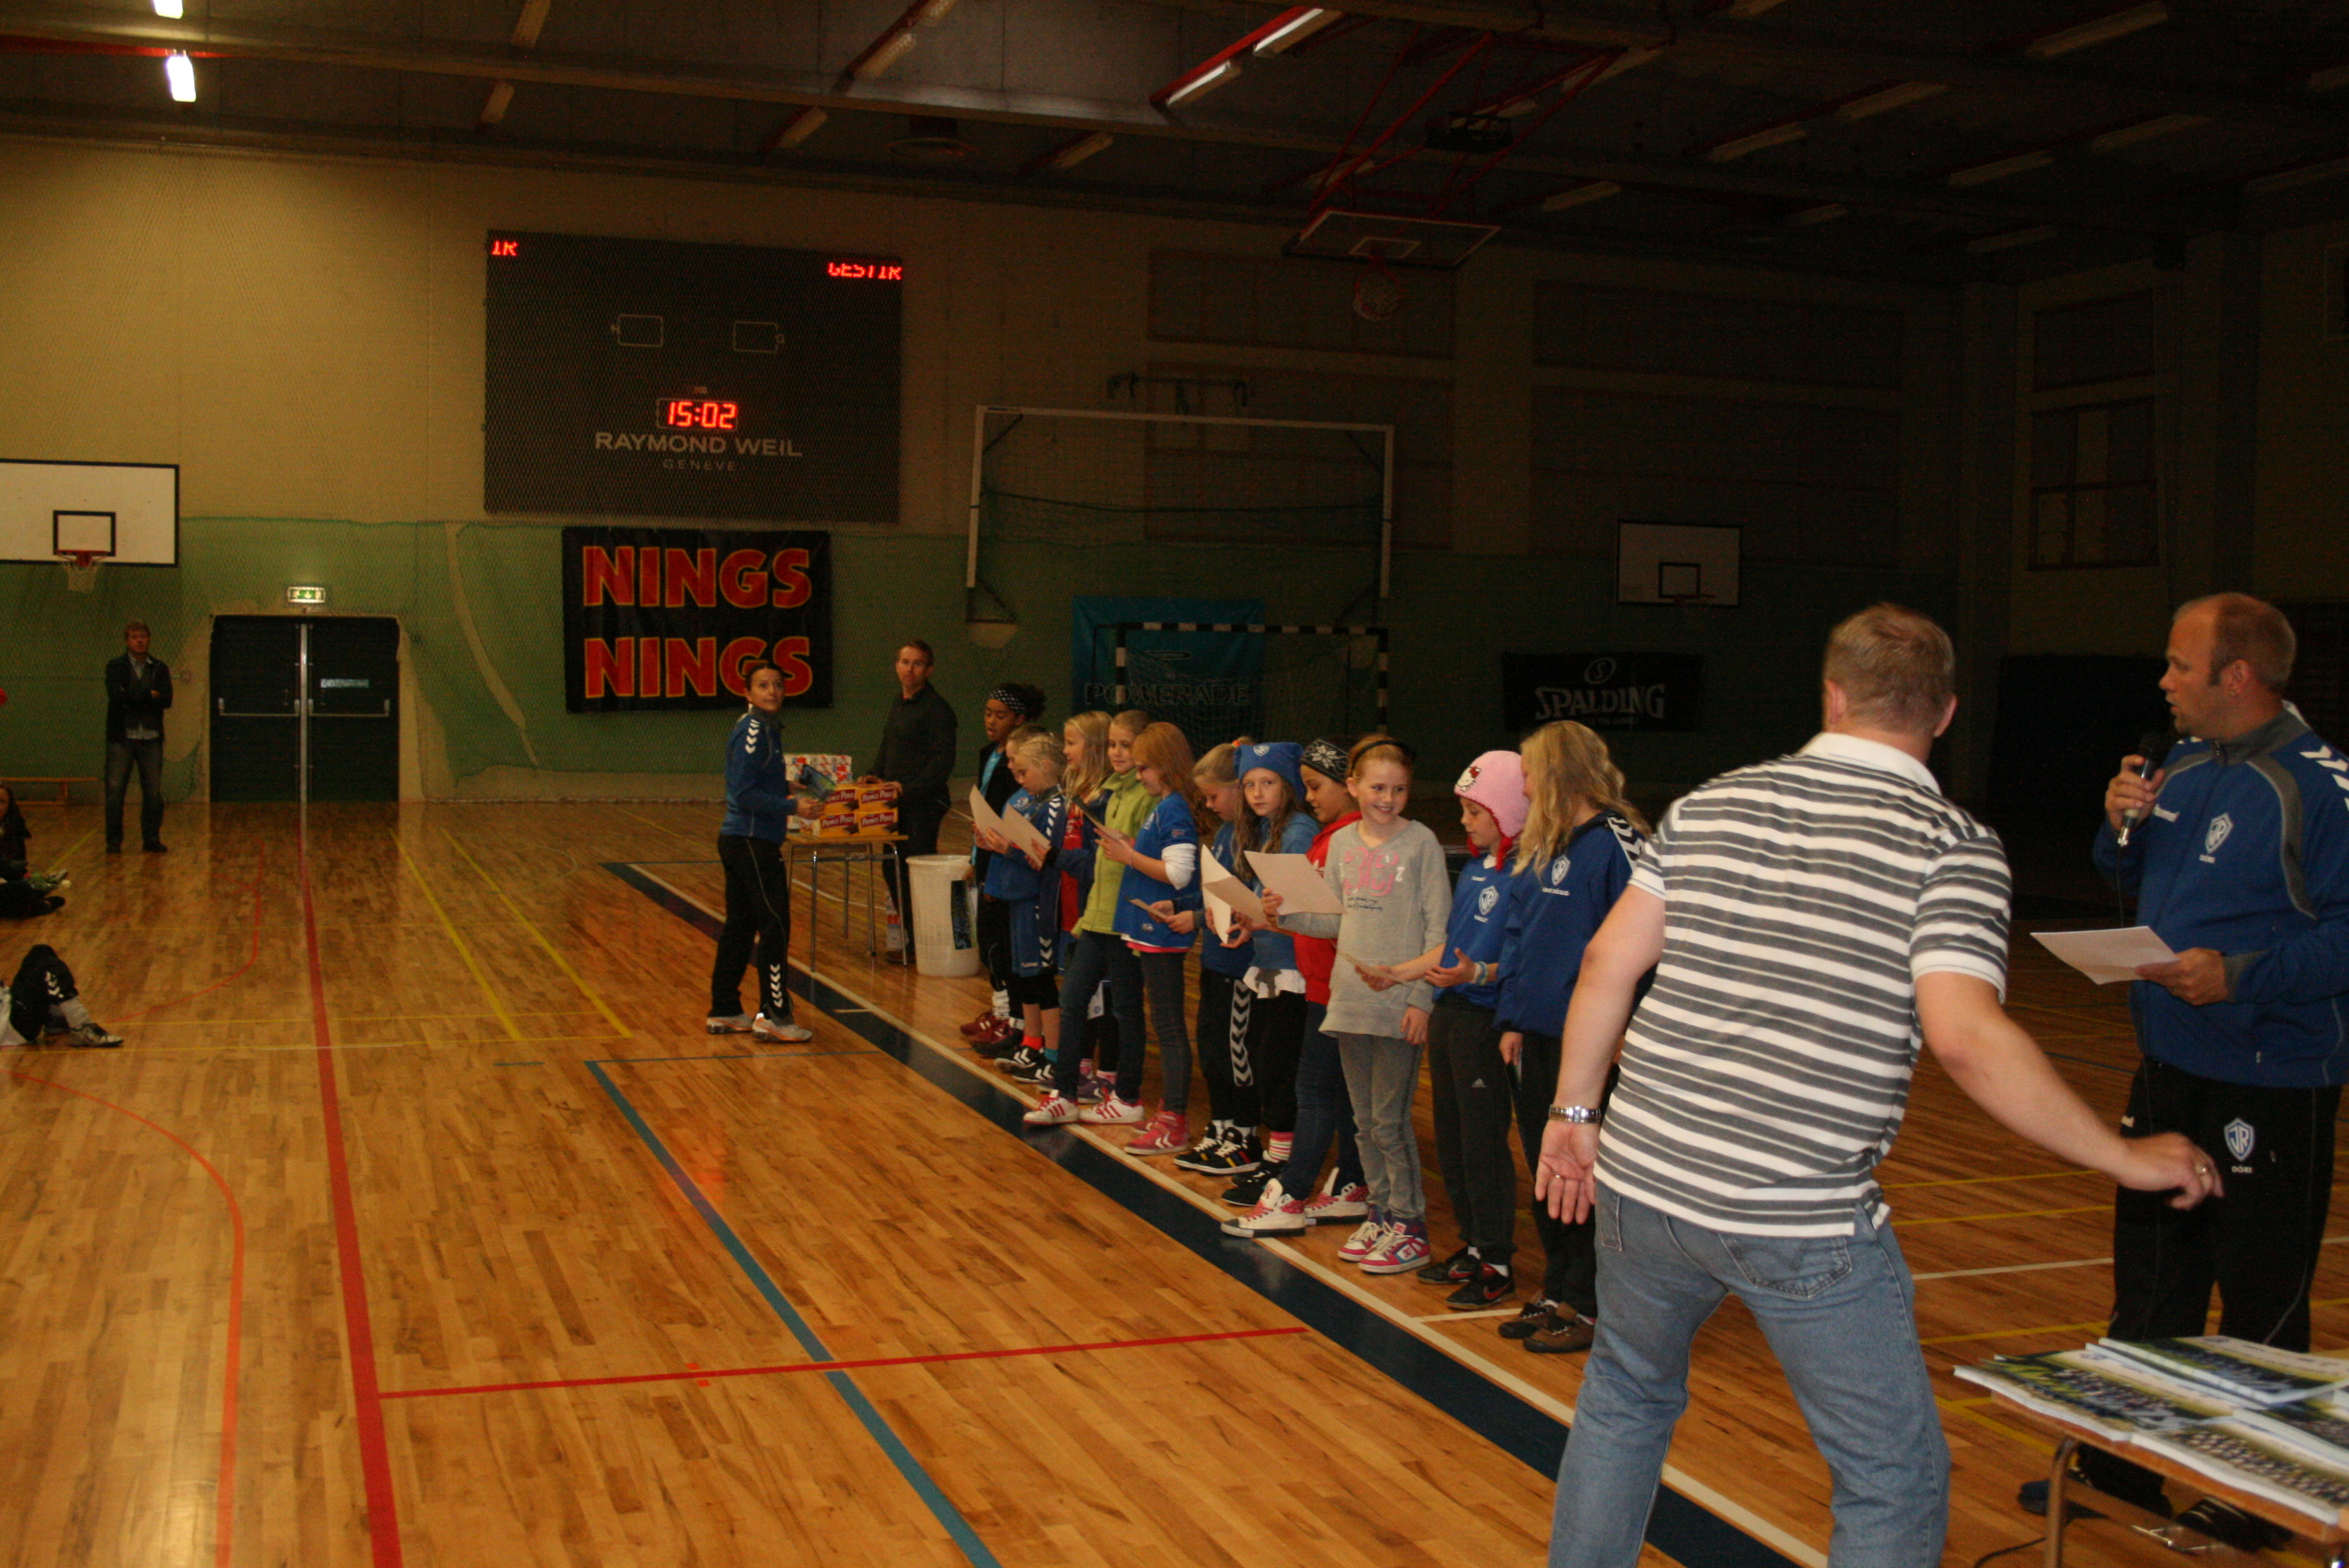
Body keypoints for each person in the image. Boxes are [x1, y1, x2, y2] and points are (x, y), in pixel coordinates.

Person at [1536, 603, 2217, 1568]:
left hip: (1643, 1181)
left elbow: (1607, 962)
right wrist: (2120, 1153)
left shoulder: (1710, 804)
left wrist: (1572, 1109)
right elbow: (1964, 1036)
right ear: (1942, 713)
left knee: (1623, 1398)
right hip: (1795, 1211)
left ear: (1831, 695)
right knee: (1891, 1478)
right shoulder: (1948, 843)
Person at [2055, 593, 2349, 1550]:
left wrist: (2240, 975)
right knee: (2150, 1276)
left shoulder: (2316, 787)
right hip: (2166, 1063)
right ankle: (2121, 1463)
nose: (2163, 680)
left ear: (2236, 675)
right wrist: (2117, 824)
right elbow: (2123, 874)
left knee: (2259, 1290)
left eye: (2179, 664)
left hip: (2269, 1075)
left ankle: (2259, 1491)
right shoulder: (2179, 764)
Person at [1258, 735, 1451, 1275]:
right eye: (1378, 788)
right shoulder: (1342, 844)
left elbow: (1440, 932)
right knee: (1364, 1123)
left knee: (1389, 1121)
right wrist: (1283, 913)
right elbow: (1334, 921)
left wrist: (1421, 998)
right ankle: (1382, 1213)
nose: (1387, 799)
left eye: (1399, 790)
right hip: (1349, 1001)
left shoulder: (1422, 844)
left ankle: (1409, 1224)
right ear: (1354, 787)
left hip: (1398, 1006)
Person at [1490, 721, 1646, 1354]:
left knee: (1588, 1174)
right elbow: (1520, 935)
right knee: (1548, 1169)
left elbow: (1651, 947)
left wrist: (1625, 1034)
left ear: (1557, 772)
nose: (1524, 786)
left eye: (1529, 773)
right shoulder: (1544, 845)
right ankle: (1557, 1288)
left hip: (1593, 1045)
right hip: (1538, 1035)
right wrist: (1512, 1018)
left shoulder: (1617, 844)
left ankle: (1591, 1301)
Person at [1375, 749, 1531, 1312]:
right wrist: (1402, 973)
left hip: (1487, 1020)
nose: (1463, 822)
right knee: (1453, 1138)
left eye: (1475, 812)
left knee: (1483, 1142)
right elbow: (1449, 947)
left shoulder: (1527, 875)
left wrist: (1477, 975)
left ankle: (1497, 1261)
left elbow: (1525, 959)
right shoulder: (1478, 869)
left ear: (1509, 811)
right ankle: (1473, 1243)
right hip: (1451, 1012)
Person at [1098, 720, 1209, 1155]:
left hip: (1163, 933)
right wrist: (1132, 846)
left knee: (1169, 1027)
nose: (1139, 774)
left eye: (1144, 767)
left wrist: (1128, 856)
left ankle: (1174, 1120)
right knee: (1164, 1025)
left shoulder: (1175, 808)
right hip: (1151, 931)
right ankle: (1168, 1114)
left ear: (1166, 766)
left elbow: (1179, 873)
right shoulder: (1164, 806)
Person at [707, 661, 820, 1043]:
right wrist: (792, 806)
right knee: (775, 923)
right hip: (751, 842)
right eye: (763, 685)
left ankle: (724, 1009)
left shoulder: (766, 728)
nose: (772, 691)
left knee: (740, 926)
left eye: (778, 685)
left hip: (743, 840)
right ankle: (773, 1015)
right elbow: (742, 792)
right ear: (748, 693)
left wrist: (785, 786)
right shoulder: (754, 730)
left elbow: (754, 779)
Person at [963, 683, 1047, 1048]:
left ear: (1020, 719)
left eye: (1001, 715)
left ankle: (1013, 1017)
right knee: (988, 941)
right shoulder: (987, 754)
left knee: (1004, 944)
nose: (991, 721)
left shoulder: (1027, 785)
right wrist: (975, 856)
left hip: (1008, 861)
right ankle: (1001, 1010)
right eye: (988, 713)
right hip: (989, 854)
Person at [868, 640, 956, 958]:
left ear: (929, 670)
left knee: (918, 872)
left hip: (923, 805)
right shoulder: (899, 702)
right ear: (896, 666)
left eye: (917, 663)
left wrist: (908, 788)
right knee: (892, 869)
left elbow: (942, 763)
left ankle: (928, 942)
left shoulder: (938, 710)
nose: (910, 669)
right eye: (905, 662)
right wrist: (875, 774)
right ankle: (912, 938)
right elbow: (888, 744)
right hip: (895, 806)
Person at [105, 619, 174, 853]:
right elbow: (117, 697)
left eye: (143, 636)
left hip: (151, 737)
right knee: (115, 792)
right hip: (122, 738)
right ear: (127, 641)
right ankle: (114, 842)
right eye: (134, 637)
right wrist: (149, 694)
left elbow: (167, 699)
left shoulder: (159, 667)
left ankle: (151, 839)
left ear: (149, 639)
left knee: (153, 793)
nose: (139, 641)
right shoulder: (115, 666)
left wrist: (134, 695)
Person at [2, 944, 122, 1048]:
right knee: (47, 965)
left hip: (10, 1006)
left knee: (41, 951)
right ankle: (81, 1027)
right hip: (13, 1027)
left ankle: (55, 1019)